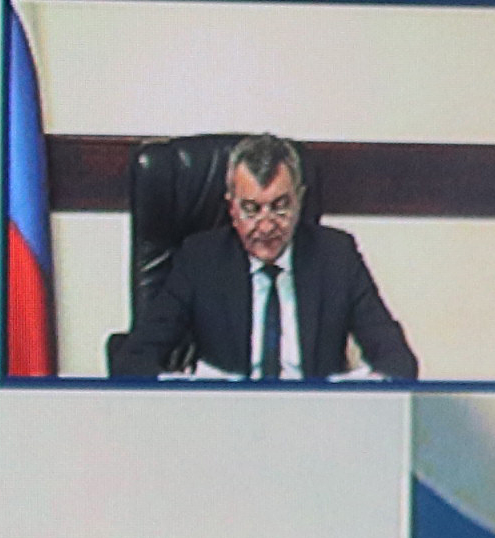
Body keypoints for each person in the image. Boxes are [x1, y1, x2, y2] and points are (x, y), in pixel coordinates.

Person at [107, 135, 417, 382]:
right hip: (227, 423)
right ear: (231, 208)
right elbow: (133, 358)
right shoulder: (200, 260)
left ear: (300, 200)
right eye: (251, 209)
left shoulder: (337, 256)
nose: (267, 227)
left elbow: (398, 361)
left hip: (314, 425)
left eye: (280, 207)